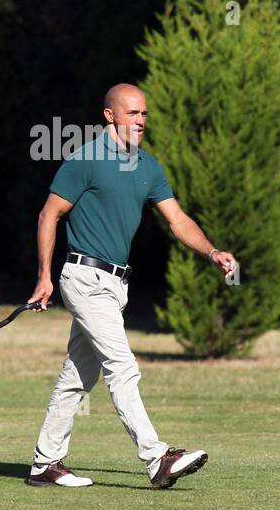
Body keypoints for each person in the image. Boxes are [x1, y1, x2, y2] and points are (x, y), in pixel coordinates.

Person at [26, 83, 238, 488]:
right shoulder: (84, 160)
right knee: (122, 367)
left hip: (116, 284)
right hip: (85, 278)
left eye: (144, 114)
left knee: (77, 377)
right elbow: (48, 215)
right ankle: (157, 457)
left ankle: (44, 464)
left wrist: (212, 253)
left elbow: (176, 220)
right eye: (132, 114)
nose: (140, 121)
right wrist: (43, 276)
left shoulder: (148, 166)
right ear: (109, 116)